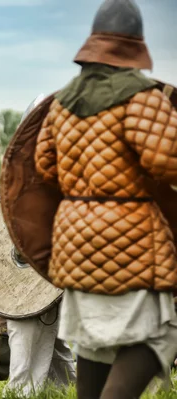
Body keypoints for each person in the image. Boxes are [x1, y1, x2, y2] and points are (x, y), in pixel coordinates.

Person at [33, 1, 177, 397]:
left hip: (73, 237)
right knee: (159, 337)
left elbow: (44, 168)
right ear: (133, 44)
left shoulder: (62, 104)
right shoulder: (141, 98)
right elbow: (169, 161)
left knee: (95, 341)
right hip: (129, 235)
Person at [2, 95, 77, 396]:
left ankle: (24, 392)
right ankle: (58, 389)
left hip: (50, 263)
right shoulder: (18, 167)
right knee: (36, 334)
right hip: (21, 264)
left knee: (40, 334)